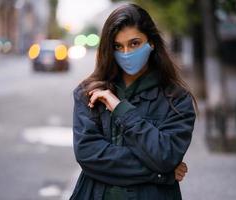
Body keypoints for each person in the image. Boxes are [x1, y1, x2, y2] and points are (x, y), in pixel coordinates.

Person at [70, 3, 196, 200]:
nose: (127, 53)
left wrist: (121, 109)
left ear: (151, 43)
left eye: (134, 43)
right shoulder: (89, 94)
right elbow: (89, 155)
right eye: (118, 46)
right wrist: (162, 174)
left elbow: (166, 155)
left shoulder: (177, 99)